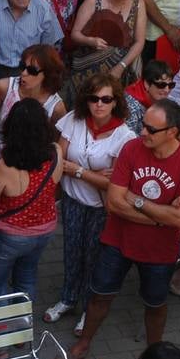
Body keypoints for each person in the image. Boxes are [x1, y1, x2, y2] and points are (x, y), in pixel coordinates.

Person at [70, 99, 180, 359]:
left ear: (172, 132)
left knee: (155, 304)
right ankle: (84, 341)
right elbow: (114, 203)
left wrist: (138, 200)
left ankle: (154, 352)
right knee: (99, 296)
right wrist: (160, 216)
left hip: (159, 251)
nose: (143, 132)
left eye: (151, 130)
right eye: (143, 126)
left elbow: (179, 219)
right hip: (118, 240)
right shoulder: (131, 149)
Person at [46, 73, 137, 329]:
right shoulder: (73, 121)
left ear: (115, 101)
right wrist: (93, 175)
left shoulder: (124, 136)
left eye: (106, 99)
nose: (99, 104)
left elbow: (115, 184)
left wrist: (76, 171)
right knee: (71, 252)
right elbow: (58, 160)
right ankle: (67, 298)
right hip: (73, 201)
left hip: (100, 209)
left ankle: (88, 308)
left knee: (93, 258)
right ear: (86, 100)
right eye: (94, 98)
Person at [0, 98, 65, 302]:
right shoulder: (56, 152)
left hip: (9, 236)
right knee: (26, 279)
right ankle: (23, 327)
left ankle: (1, 330)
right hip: (44, 230)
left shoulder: (5, 166)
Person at [66, 0, 147, 96]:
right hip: (91, 61)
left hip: (125, 62)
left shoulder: (138, 3)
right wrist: (91, 41)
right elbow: (75, 34)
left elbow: (139, 42)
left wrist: (120, 67)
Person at [0, 45, 69, 167]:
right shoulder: (4, 87)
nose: (23, 73)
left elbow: (54, 143)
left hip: (30, 170)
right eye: (22, 66)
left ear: (48, 74)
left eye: (32, 70)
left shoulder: (56, 107)